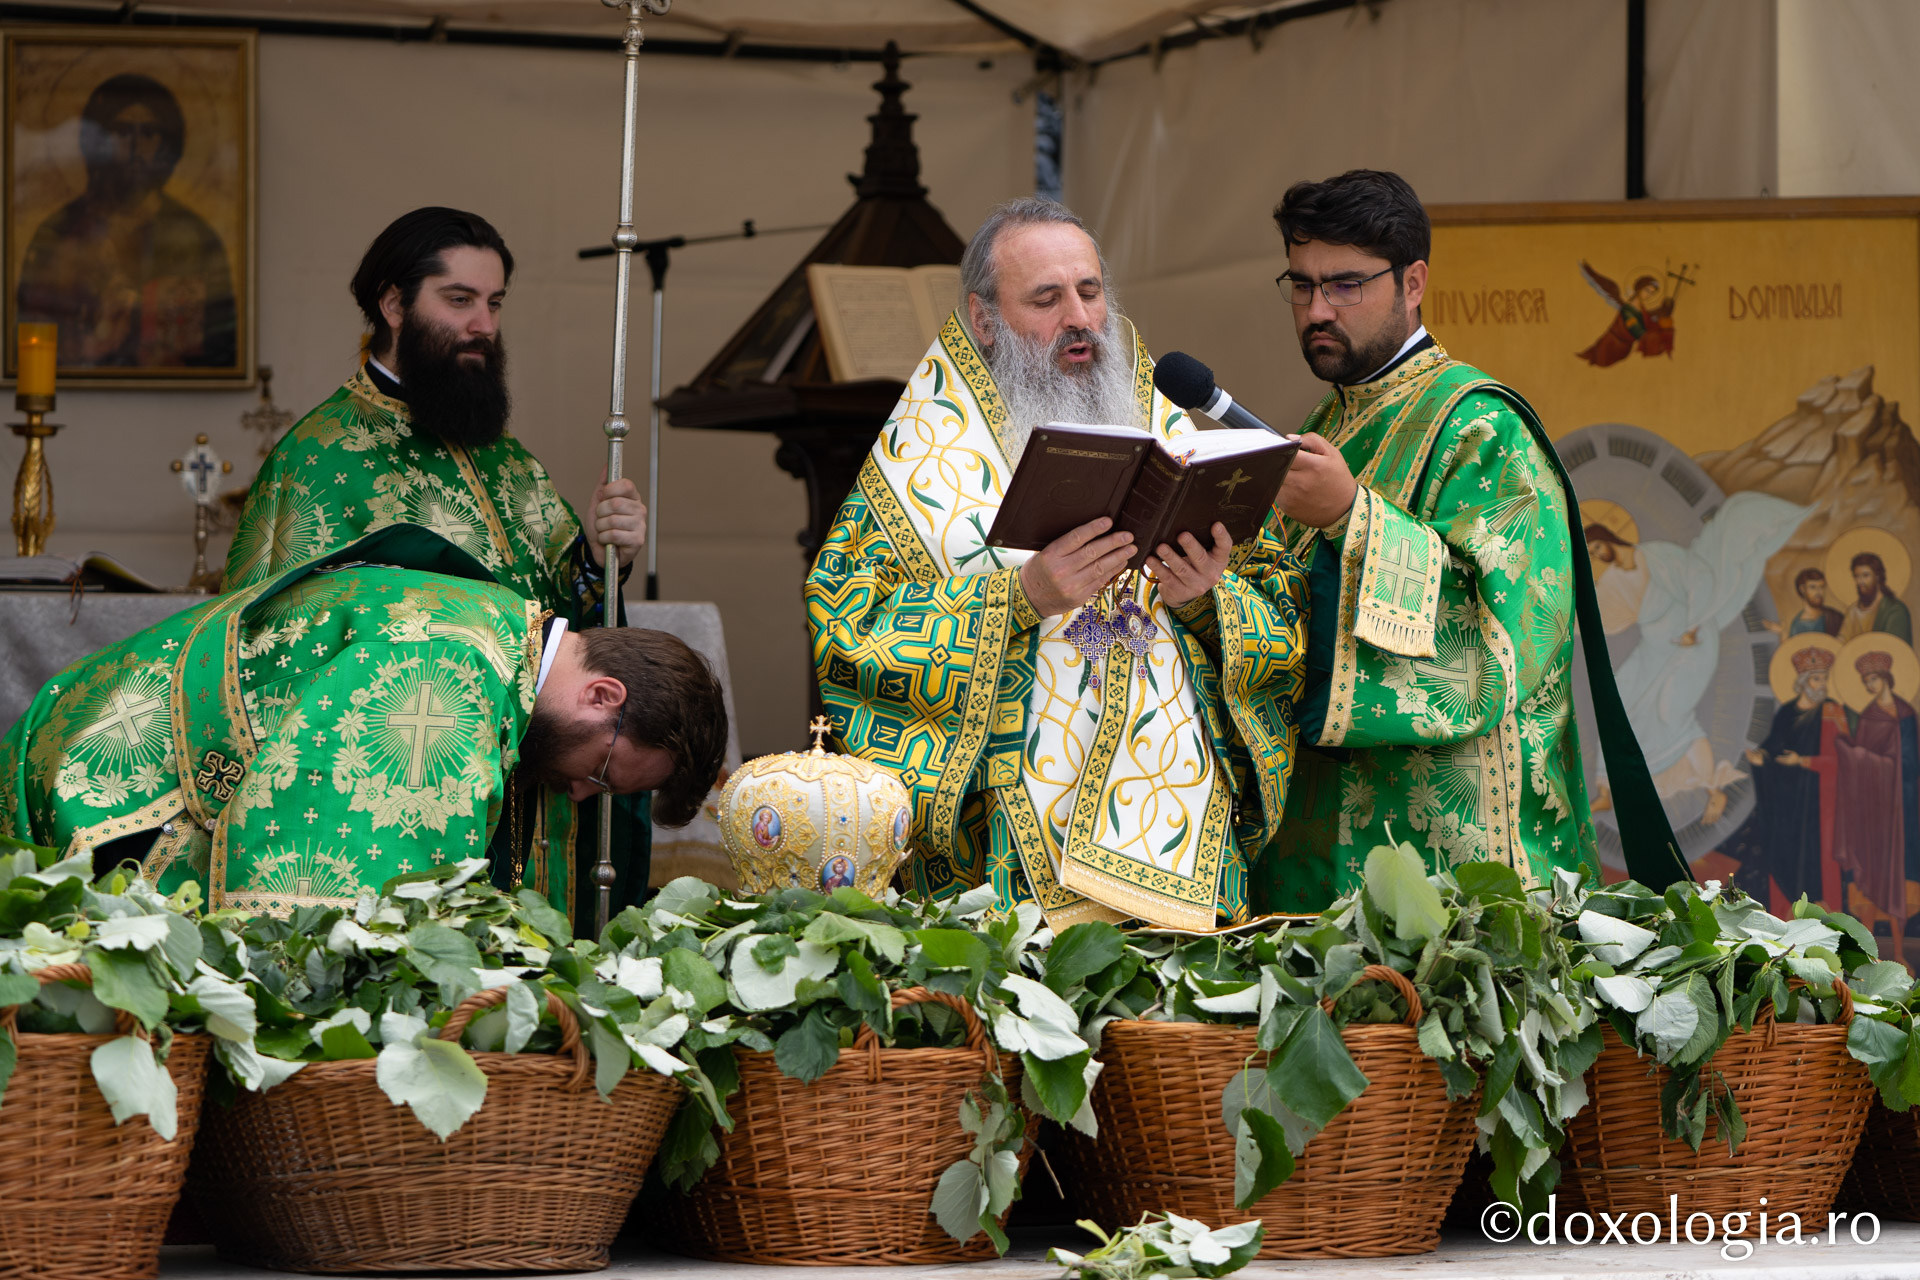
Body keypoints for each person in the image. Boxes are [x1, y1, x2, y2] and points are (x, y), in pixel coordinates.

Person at [806, 197, 1305, 932]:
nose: (1080, 318)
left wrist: (1206, 598)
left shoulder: (1163, 416)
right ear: (984, 319)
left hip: (1184, 819)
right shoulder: (921, 459)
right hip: (1015, 835)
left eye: (1091, 291)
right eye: (1046, 298)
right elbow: (846, 630)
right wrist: (1021, 595)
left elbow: (1279, 603)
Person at [223, 207, 654, 916]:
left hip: (534, 789)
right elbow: (269, 648)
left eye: (494, 304)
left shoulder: (502, 455)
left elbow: (564, 619)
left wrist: (605, 557)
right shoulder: (320, 458)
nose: (483, 324)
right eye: (458, 301)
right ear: (393, 305)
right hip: (411, 787)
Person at [1262, 169, 1672, 907]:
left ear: (1413, 282)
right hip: (1318, 877)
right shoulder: (1325, 429)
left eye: (1346, 285)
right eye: (1302, 285)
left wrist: (1352, 518)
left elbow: (1501, 651)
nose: (1318, 310)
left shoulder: (1484, 430)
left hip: (1467, 886)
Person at [0, 529, 726, 920]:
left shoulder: (494, 630)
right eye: (600, 774)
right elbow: (348, 876)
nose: (577, 795)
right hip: (106, 789)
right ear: (602, 695)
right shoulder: (449, 667)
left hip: (109, 749)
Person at [1585, 492, 1807, 829]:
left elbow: (1699, 579)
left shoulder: (1656, 557)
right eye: (1592, 554)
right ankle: (1606, 788)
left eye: (1597, 547)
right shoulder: (1614, 579)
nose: (1599, 555)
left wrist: (1693, 624)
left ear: (1608, 537)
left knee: (1671, 712)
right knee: (1618, 703)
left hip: (1693, 644)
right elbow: (1600, 614)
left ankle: (1713, 788)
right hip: (1653, 651)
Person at [15, 73, 235, 369]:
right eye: (121, 131)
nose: (134, 146)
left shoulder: (195, 236)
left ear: (167, 145)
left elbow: (221, 342)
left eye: (148, 133)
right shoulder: (58, 232)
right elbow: (33, 330)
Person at [1721, 644, 1845, 911]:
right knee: (1783, 851)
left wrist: (1802, 761)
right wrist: (1761, 758)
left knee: (1817, 858)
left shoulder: (1833, 711)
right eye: (1816, 678)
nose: (1822, 685)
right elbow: (1774, 748)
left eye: (1824, 678)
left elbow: (1844, 760)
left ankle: (1819, 912)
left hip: (1821, 803)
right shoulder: (1787, 713)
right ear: (1802, 682)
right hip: (1788, 803)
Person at [1835, 650, 1920, 963]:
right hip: (1873, 811)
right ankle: (1869, 955)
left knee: (1900, 883)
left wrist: (1863, 758)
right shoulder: (1869, 715)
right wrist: (1854, 755)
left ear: (1885, 678)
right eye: (1865, 681)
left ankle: (1898, 953)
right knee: (1870, 882)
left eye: (1872, 679)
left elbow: (1910, 765)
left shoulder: (1905, 715)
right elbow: (1861, 765)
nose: (1869, 685)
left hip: (1902, 810)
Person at [1838, 551, 1912, 643]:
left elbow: (1896, 648)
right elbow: (1841, 642)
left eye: (1865, 575)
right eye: (1857, 576)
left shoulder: (1895, 610)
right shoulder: (1853, 611)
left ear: (1877, 576)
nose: (1860, 582)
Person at [1763, 568, 1844, 638]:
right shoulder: (1797, 625)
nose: (1819, 592)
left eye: (1822, 587)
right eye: (1813, 587)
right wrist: (1783, 633)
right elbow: (1793, 651)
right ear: (1802, 589)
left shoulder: (1835, 617)